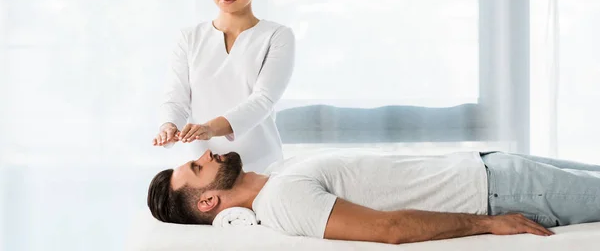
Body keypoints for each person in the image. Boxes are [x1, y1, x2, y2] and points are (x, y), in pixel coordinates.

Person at [147, 149, 600, 245]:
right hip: (501, 190)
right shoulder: (283, 202)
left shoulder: (278, 175)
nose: (205, 153)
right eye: (197, 167)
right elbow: (389, 230)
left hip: (494, 165)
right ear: (208, 202)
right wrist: (487, 223)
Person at [152, 0, 295, 173]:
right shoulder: (190, 38)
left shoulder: (277, 36)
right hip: (205, 171)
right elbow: (176, 99)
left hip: (261, 167)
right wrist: (169, 126)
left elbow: (263, 100)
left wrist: (209, 128)